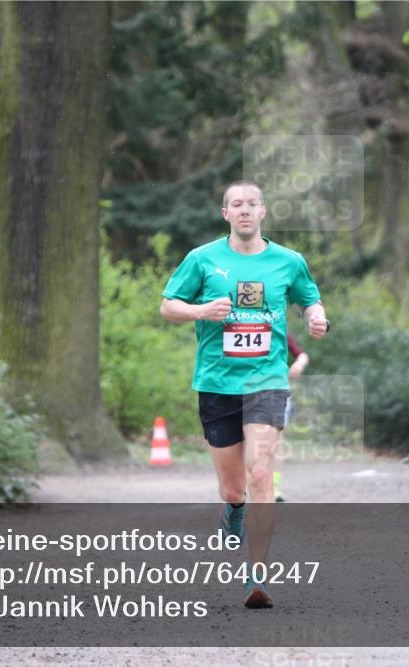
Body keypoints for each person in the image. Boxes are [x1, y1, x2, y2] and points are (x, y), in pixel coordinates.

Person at [160, 180, 328, 609]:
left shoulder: (288, 261)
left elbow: (310, 299)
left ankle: (258, 576)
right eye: (237, 204)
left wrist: (316, 317)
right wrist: (201, 310)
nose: (245, 210)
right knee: (234, 489)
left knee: (261, 474)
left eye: (252, 204)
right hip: (217, 383)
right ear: (226, 214)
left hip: (266, 381)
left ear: (263, 212)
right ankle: (233, 511)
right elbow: (168, 305)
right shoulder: (203, 259)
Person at [274, 333, 310, 502]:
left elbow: (302, 355)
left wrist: (299, 364)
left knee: (276, 441)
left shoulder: (278, 329)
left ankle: (273, 487)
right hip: (242, 391)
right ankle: (241, 488)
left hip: (278, 391)